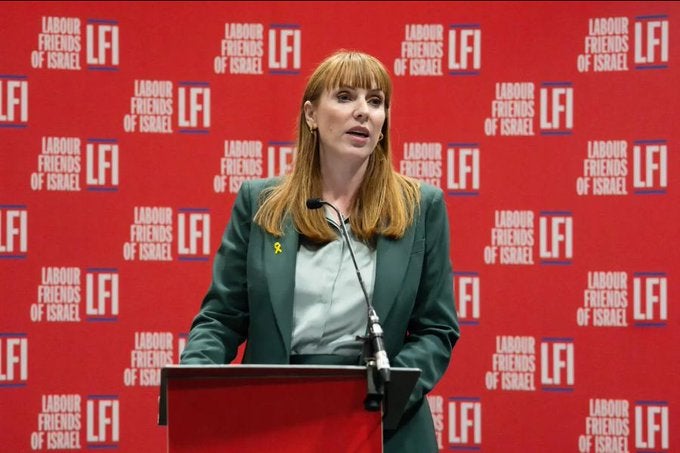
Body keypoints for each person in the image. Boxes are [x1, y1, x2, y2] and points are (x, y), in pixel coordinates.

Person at [180, 50, 459, 452]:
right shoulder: (261, 203)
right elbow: (223, 316)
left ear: (384, 123)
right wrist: (194, 377)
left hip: (382, 421)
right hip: (276, 417)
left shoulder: (420, 207)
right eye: (345, 97)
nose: (363, 111)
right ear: (311, 114)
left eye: (376, 101)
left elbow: (436, 329)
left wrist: (390, 388)